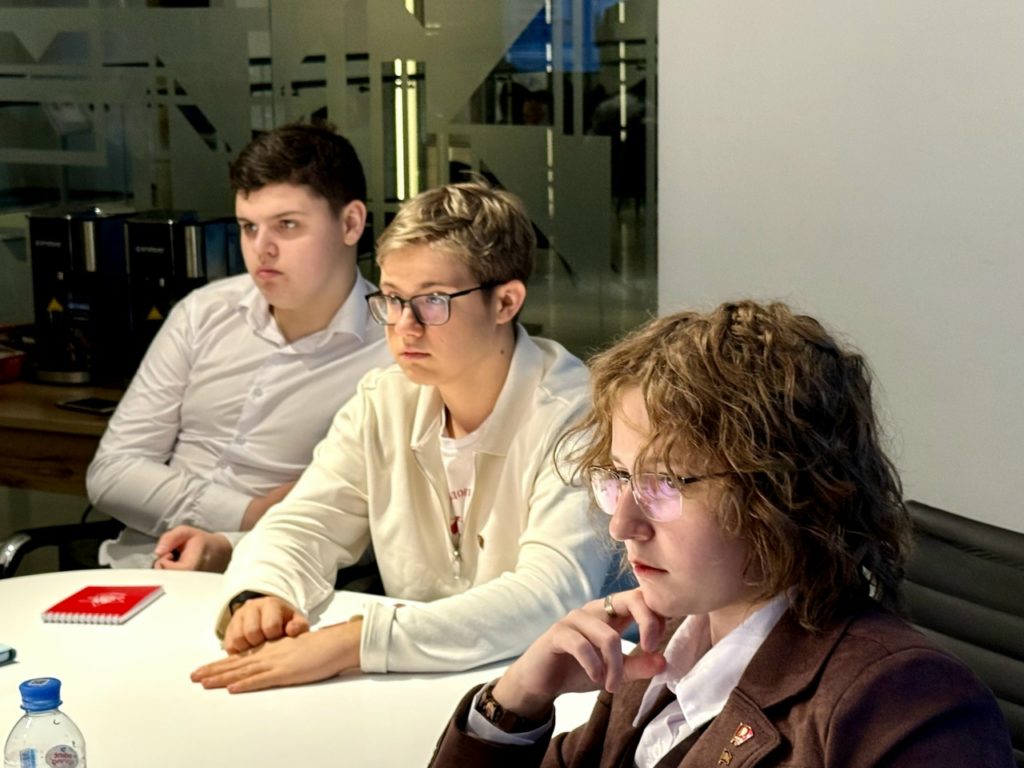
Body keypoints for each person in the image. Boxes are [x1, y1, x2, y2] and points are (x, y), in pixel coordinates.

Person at [428, 301, 1016, 767]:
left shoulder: (906, 706)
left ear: (782, 493)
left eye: (663, 483)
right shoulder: (665, 646)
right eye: (619, 478)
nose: (622, 524)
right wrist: (516, 702)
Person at [189, 179, 610, 692]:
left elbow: (551, 596)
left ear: (505, 302)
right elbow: (303, 524)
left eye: (432, 301)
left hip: (559, 693)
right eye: (391, 298)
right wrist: (260, 594)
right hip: (417, 682)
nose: (404, 326)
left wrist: (355, 642)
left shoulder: (575, 414)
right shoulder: (384, 400)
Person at [85, 121, 393, 570]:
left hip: (279, 583)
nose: (261, 249)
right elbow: (111, 474)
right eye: (248, 227)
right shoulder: (204, 312)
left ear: (351, 223)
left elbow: (375, 524)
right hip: (137, 568)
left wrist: (231, 543)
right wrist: (247, 514)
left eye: (287, 225)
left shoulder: (396, 347)